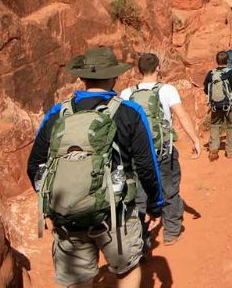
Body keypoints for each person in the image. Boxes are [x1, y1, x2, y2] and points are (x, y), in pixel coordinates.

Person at [28, 47, 164, 288]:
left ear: (82, 77)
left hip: (67, 215)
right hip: (117, 214)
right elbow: (146, 165)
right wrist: (155, 203)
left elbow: (34, 165)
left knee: (77, 281)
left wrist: (54, 201)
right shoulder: (129, 112)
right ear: (114, 77)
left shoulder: (57, 113)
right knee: (128, 269)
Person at [120, 53, 201, 247]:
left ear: (138, 70)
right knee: (169, 189)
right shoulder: (167, 90)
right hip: (163, 151)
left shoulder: (126, 93)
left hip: (136, 154)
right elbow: (181, 115)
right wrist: (195, 139)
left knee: (139, 196)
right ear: (158, 68)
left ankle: (142, 241)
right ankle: (171, 232)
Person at [203, 51, 232, 161]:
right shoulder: (231, 73)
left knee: (215, 125)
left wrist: (214, 98)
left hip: (215, 105)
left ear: (217, 61)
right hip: (230, 105)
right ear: (227, 61)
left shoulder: (211, 73)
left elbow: (205, 89)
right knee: (231, 125)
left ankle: (213, 149)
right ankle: (230, 152)